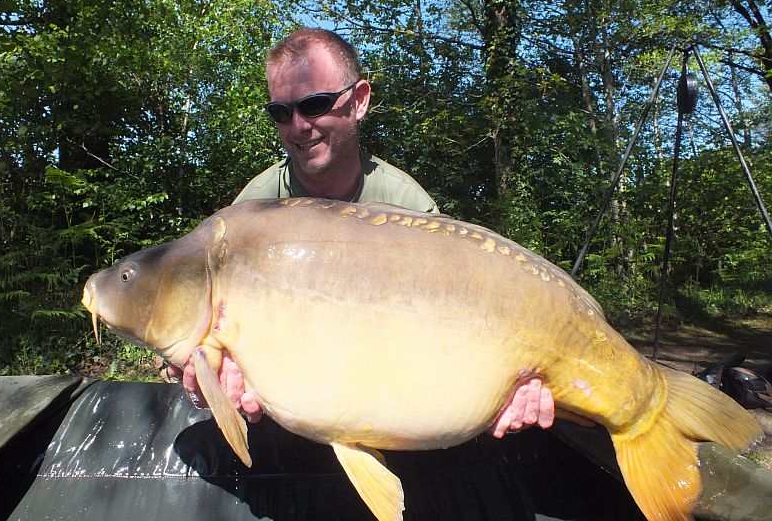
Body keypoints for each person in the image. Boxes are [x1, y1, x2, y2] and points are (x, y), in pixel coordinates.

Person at [169, 27, 556, 437]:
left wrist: (499, 391)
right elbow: (201, 336)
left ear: (359, 101)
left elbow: (449, 330)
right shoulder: (255, 209)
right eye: (281, 113)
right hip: (293, 414)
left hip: (388, 399)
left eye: (315, 105)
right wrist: (196, 378)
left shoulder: (407, 204)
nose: (299, 126)